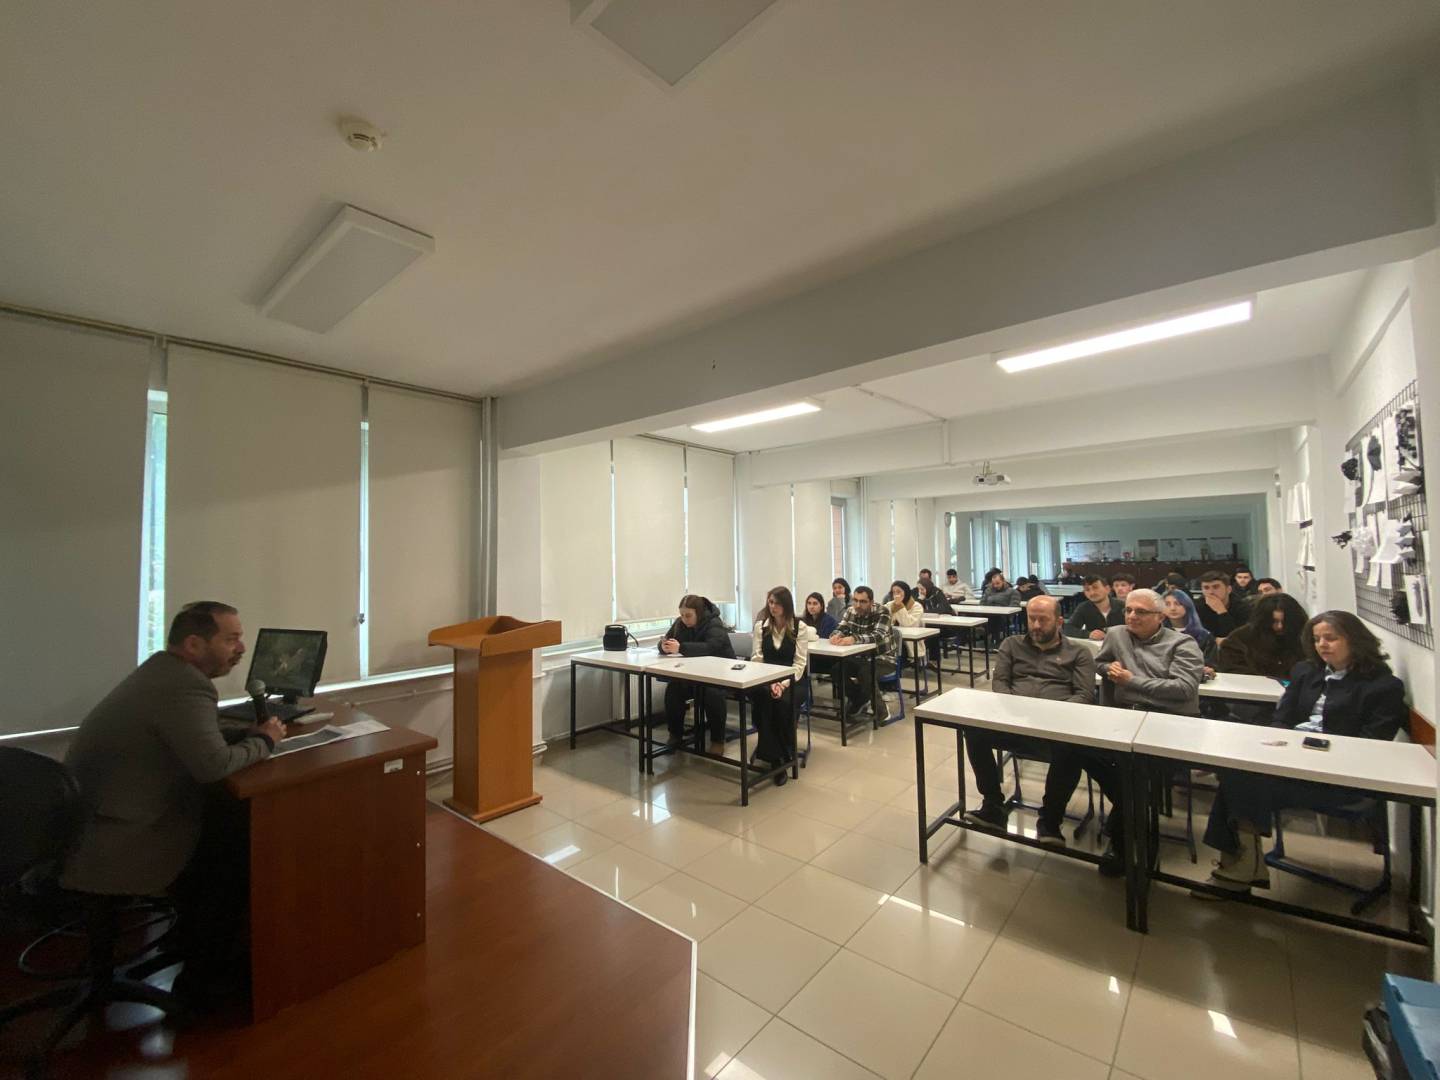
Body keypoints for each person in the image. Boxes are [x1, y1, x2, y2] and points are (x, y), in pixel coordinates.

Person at [61, 601, 287, 1007]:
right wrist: (265, 740)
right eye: (231, 639)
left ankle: (191, 945)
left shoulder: (162, 671)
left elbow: (185, 734)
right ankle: (205, 979)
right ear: (195, 644)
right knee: (236, 852)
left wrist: (238, 736)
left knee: (225, 823)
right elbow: (213, 766)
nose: (241, 648)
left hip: (89, 822)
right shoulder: (186, 686)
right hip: (122, 835)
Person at [1198, 611, 1407, 897]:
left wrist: (1309, 750)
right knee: (1236, 771)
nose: (1322, 645)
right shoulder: (1307, 672)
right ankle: (1242, 864)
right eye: (1317, 639)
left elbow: (1370, 744)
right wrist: (1280, 743)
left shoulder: (1383, 686)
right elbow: (1282, 718)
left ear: (1355, 641)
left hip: (1339, 775)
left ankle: (1242, 866)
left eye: (1331, 638)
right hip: (1291, 758)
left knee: (1239, 780)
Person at [1045, 588, 1204, 875]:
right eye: (1128, 610)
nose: (1131, 616)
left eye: (1140, 612)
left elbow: (1184, 689)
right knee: (1067, 746)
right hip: (1120, 719)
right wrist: (1108, 670)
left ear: (1160, 617)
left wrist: (1132, 681)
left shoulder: (1183, 643)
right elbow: (1099, 663)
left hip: (1165, 724)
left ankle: (1120, 841)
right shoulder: (1116, 634)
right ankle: (1049, 823)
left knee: (1136, 773)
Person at [962, 596, 1097, 834]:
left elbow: (1084, 695)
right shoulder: (1011, 644)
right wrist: (1014, 710)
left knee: (1071, 748)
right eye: (1031, 619)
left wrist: (1052, 716)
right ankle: (993, 805)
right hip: (1015, 722)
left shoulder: (1079, 652)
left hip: (1056, 728)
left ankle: (1050, 819)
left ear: (1059, 622)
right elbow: (1000, 683)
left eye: (1043, 620)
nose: (1036, 625)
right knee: (974, 731)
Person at [748, 587, 815, 783]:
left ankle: (776, 753)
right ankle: (780, 758)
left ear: (786, 605)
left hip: (793, 681)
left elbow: (799, 664)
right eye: (770, 602)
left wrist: (783, 684)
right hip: (765, 679)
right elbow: (757, 659)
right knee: (763, 699)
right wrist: (770, 683)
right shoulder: (761, 626)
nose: (773, 607)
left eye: (777, 603)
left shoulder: (800, 627)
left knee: (782, 703)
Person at [658, 594, 735, 753]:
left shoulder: (714, 623)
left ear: (698, 613)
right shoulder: (680, 623)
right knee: (673, 689)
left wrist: (681, 648)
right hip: (693, 675)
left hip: (720, 676)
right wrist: (663, 646)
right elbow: (667, 639)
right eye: (681, 615)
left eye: (688, 615)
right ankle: (675, 734)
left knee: (712, 693)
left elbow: (711, 648)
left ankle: (717, 740)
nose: (684, 619)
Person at [830, 585, 896, 723]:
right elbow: (841, 627)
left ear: (871, 602)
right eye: (855, 600)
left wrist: (854, 639)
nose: (858, 605)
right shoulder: (851, 610)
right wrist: (836, 635)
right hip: (860, 657)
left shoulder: (882, 611)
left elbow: (878, 635)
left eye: (863, 601)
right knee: (837, 669)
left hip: (883, 658)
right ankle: (859, 700)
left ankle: (882, 711)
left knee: (865, 672)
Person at [1217, 593, 1310, 679]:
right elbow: (1232, 671)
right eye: (1274, 621)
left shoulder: (1305, 637)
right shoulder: (1239, 639)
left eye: (1285, 621)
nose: (1280, 626)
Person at [1162, 588, 1217, 670]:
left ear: (1187, 606)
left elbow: (1211, 665)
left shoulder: (1204, 636)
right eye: (1167, 604)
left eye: (1178, 604)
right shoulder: (1158, 633)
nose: (1172, 608)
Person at [1064, 575, 1124, 639]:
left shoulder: (1122, 606)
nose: (1092, 593)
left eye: (1095, 588)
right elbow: (1068, 628)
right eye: (1087, 590)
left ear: (1107, 589)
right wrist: (1089, 634)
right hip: (1095, 644)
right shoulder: (1083, 608)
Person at [1197, 570, 1250, 639]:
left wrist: (1222, 612)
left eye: (1215, 587)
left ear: (1229, 589)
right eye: (1206, 588)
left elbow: (1238, 637)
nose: (1210, 592)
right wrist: (1214, 640)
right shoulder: (1197, 606)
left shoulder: (1243, 607)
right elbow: (1197, 634)